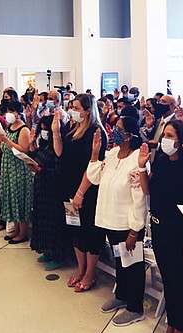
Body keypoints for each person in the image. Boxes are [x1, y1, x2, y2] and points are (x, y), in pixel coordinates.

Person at [138, 120, 183, 333]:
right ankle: (171, 326)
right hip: (159, 229)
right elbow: (147, 191)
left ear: (182, 140)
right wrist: (142, 167)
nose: (164, 139)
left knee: (179, 285)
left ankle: (180, 332)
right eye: (164, 134)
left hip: (179, 233)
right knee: (168, 281)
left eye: (170, 135)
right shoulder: (161, 161)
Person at [87, 116, 148, 326]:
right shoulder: (113, 154)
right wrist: (95, 153)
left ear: (130, 135)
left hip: (128, 224)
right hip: (110, 221)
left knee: (133, 266)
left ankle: (135, 307)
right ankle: (121, 295)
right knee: (119, 262)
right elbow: (95, 178)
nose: (114, 132)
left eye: (119, 129)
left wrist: (134, 230)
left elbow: (139, 197)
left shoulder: (137, 159)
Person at [52, 93, 108, 292]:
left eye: (76, 108)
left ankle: (91, 273)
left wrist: (80, 193)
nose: (72, 111)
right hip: (68, 185)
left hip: (86, 188)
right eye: (72, 107)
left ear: (87, 111)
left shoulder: (95, 131)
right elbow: (60, 153)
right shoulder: (71, 128)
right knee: (74, 228)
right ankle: (81, 268)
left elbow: (92, 166)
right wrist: (56, 132)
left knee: (89, 231)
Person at [29, 115, 70, 270]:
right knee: (41, 220)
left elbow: (58, 170)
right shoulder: (44, 145)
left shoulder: (59, 147)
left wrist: (39, 169)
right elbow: (35, 158)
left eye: (48, 129)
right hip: (40, 188)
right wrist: (32, 145)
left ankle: (58, 255)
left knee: (53, 223)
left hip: (53, 190)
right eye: (43, 129)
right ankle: (46, 250)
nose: (45, 132)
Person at [0, 101, 34, 244]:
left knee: (19, 199)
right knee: (10, 198)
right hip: (7, 168)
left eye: (11, 111)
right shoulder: (9, 127)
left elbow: (23, 149)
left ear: (18, 112)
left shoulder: (24, 129)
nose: (8, 114)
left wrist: (5, 140)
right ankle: (15, 229)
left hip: (18, 169)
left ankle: (23, 232)